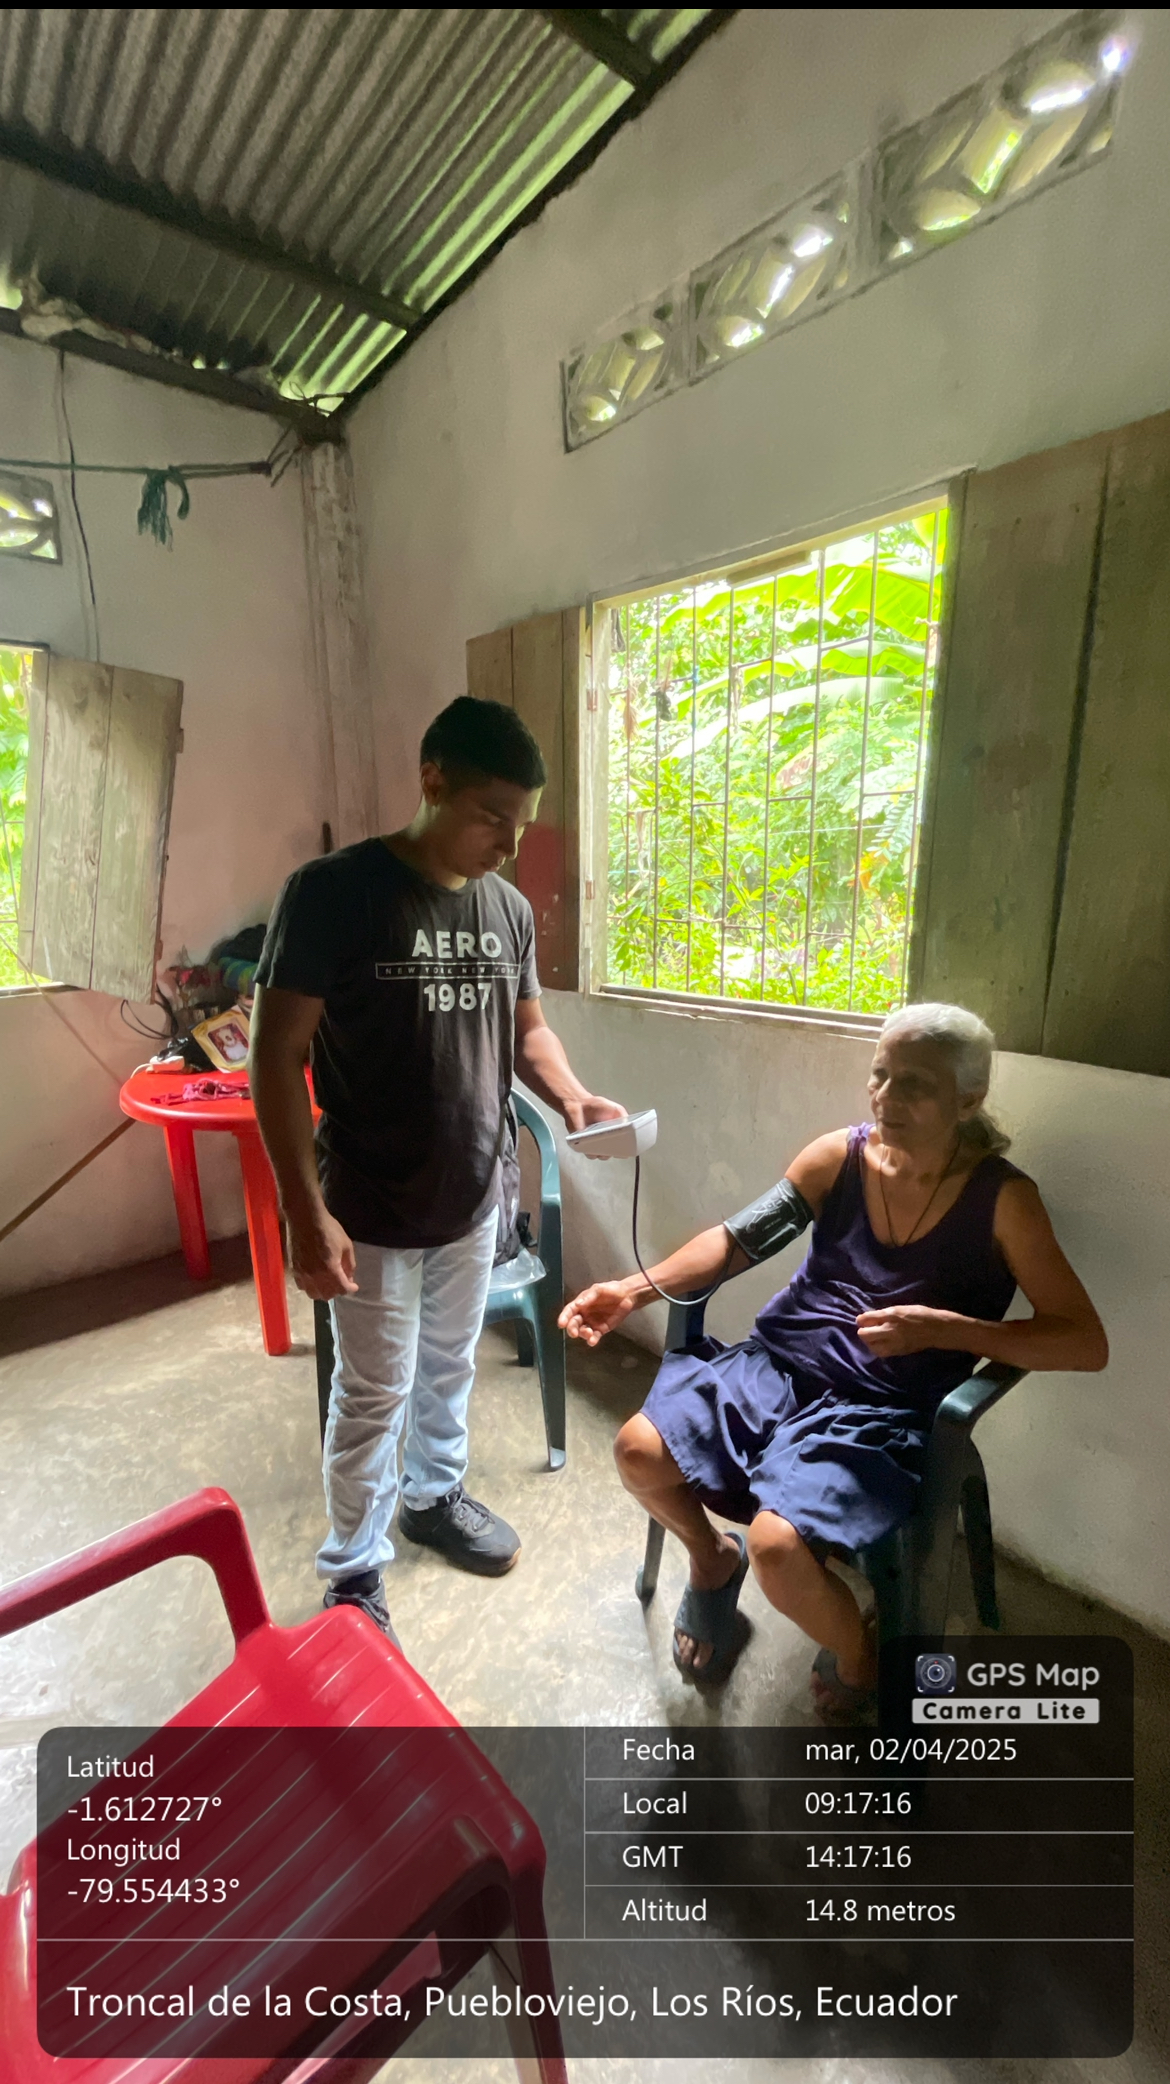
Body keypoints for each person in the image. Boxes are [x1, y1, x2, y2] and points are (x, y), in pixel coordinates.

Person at [558, 1002, 1107, 1720]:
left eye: (915, 1084)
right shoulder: (837, 1158)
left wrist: (947, 1330)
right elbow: (735, 1241)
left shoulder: (1004, 1202)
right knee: (637, 1452)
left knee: (778, 1548)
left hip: (878, 1413)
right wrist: (632, 1290)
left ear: (968, 1100)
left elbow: (1082, 1341)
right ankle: (710, 1559)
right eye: (880, 1075)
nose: (886, 1097)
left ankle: (858, 1652)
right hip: (776, 1370)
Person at [250, 696, 624, 1644]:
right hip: (369, 1202)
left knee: (450, 1365)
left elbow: (527, 1029)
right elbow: (273, 1055)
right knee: (372, 1391)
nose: (508, 844)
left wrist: (573, 1096)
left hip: (471, 1195)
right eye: (492, 816)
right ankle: (353, 1567)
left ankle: (433, 1497)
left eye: (522, 825)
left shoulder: (506, 909)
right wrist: (303, 1209)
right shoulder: (334, 892)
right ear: (433, 779)